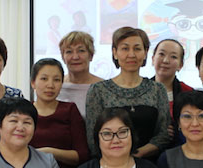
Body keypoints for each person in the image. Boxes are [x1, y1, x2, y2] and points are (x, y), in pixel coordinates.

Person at [85, 26, 170, 158]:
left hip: (148, 162)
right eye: (125, 48)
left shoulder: (158, 89)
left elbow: (163, 135)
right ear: (115, 52)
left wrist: (136, 156)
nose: (131, 54)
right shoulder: (98, 90)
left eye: (137, 49)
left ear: (145, 53)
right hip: (108, 163)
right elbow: (93, 138)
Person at [30, 58, 89, 168]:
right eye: (44, 79)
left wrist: (49, 152)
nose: (50, 85)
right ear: (33, 83)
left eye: (56, 80)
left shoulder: (70, 110)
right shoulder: (25, 112)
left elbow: (82, 155)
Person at [57, 31, 103, 119]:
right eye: (69, 52)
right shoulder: (56, 86)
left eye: (81, 51)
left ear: (91, 55)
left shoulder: (104, 88)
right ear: (63, 57)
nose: (75, 57)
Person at [150, 39, 193, 109]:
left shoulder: (188, 93)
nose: (165, 60)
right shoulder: (140, 90)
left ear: (180, 65)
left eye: (173, 57)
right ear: (153, 59)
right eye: (161, 54)